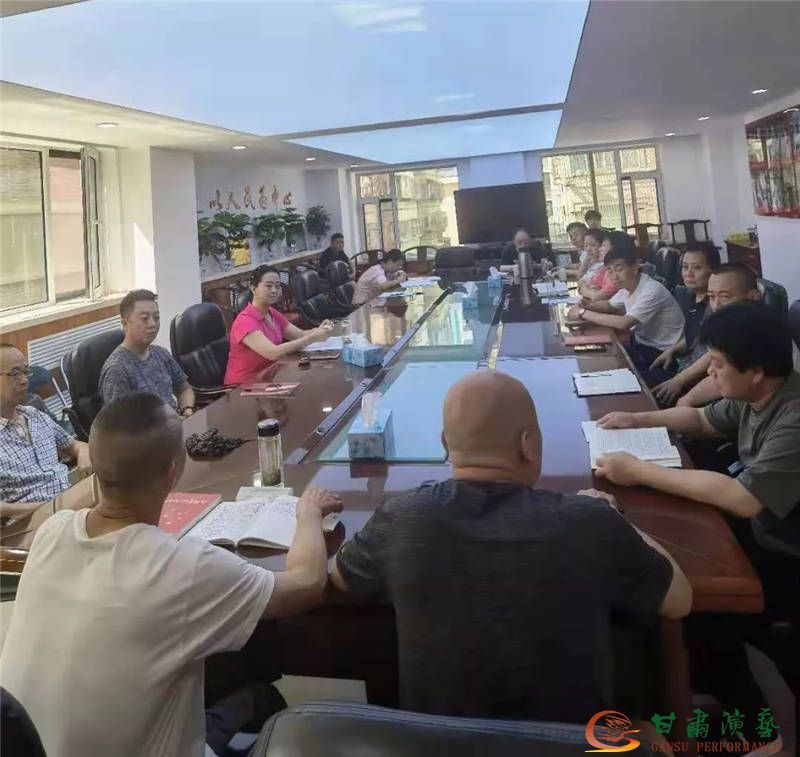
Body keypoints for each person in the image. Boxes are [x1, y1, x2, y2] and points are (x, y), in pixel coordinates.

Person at [331, 371, 691, 722]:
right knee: (645, 725)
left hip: (440, 747)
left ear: (445, 444)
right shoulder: (589, 522)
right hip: (566, 748)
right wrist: (615, 517)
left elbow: (341, 575)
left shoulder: (402, 517)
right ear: (527, 444)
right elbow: (678, 599)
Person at [0, 393, 342, 756]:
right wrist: (308, 513)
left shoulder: (52, 532)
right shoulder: (183, 567)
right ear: (173, 473)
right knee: (268, 700)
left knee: (243, 687)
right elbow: (307, 584)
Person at [596, 303, 800, 604]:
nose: (709, 371)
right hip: (759, 523)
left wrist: (638, 471)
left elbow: (743, 498)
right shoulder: (757, 391)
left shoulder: (793, 417)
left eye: (717, 363)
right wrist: (637, 419)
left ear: (756, 371)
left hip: (780, 545)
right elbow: (700, 419)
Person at [568, 244, 685, 386]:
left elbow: (624, 323)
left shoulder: (651, 290)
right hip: (643, 348)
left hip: (666, 357)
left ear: (635, 267)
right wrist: (586, 306)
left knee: (611, 381)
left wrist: (582, 313)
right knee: (595, 364)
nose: (614, 276)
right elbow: (609, 305)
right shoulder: (628, 286)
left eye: (619, 269)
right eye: (610, 271)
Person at [0, 343, 91, 519]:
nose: (24, 380)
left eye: (26, 371)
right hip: (31, 522)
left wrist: (84, 453)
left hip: (70, 504)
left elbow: (75, 445)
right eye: (15, 373)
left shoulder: (34, 415)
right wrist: (50, 507)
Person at [652, 260, 756, 408]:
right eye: (712, 297)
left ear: (753, 297)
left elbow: (723, 376)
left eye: (725, 297)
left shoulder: (753, 329)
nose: (716, 306)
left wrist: (684, 392)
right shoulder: (725, 319)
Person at [224, 265, 334, 385]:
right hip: (245, 386)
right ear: (253, 289)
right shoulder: (245, 322)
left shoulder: (271, 313)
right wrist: (313, 337)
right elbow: (273, 353)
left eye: (277, 286)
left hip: (271, 376)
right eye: (268, 286)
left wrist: (320, 329)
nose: (274, 290)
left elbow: (299, 335)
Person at [99, 290, 196, 417]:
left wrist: (187, 410)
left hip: (175, 423)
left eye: (156, 317)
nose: (152, 324)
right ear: (125, 324)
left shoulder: (161, 353)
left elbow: (184, 388)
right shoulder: (117, 370)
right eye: (144, 318)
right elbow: (119, 423)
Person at [647, 242, 720, 406]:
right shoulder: (691, 297)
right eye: (685, 267)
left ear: (714, 270)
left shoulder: (717, 304)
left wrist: (679, 380)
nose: (689, 273)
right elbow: (696, 336)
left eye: (697, 268)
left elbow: (715, 352)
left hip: (700, 380)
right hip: (685, 367)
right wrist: (673, 350)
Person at [577, 229, 616, 303]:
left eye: (603, 245)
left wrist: (584, 288)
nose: (600, 249)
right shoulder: (601, 268)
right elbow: (583, 283)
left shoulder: (607, 270)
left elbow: (596, 296)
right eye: (585, 245)